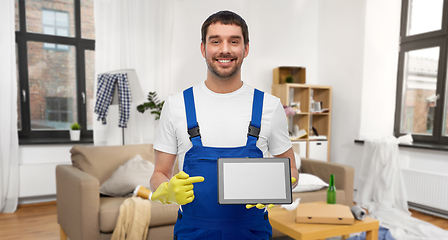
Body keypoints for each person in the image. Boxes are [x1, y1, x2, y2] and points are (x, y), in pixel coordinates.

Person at [150, 10, 299, 240]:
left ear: (246, 49)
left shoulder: (269, 106)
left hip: (252, 232)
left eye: (234, 41)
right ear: (203, 48)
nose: (225, 49)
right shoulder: (176, 105)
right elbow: (159, 173)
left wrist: (283, 187)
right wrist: (166, 191)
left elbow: (291, 170)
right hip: (193, 233)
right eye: (215, 41)